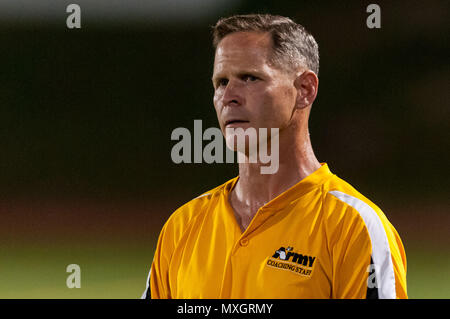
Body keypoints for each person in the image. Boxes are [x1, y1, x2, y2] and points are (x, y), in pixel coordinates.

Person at [142, 14, 407, 299]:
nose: (228, 95)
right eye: (221, 82)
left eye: (249, 78)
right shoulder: (183, 226)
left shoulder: (353, 226)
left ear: (304, 90)